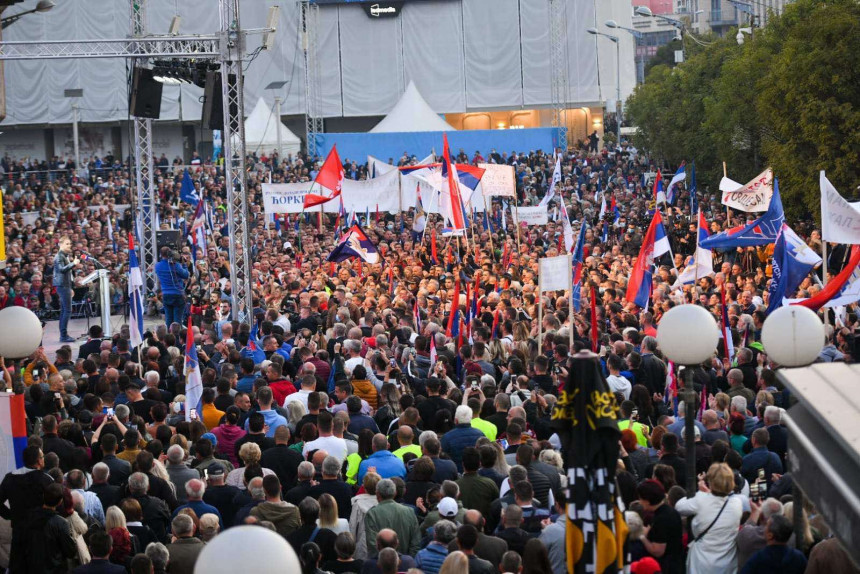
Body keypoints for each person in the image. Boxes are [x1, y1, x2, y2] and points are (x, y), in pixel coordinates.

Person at [675, 463, 744, 573]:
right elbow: (717, 503)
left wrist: (700, 492)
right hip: (728, 564)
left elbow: (679, 506)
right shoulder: (737, 503)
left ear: (711, 482)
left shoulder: (701, 499)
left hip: (702, 563)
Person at [22, 482, 78, 573]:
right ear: (60, 501)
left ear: (43, 496)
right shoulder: (61, 523)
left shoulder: (28, 516)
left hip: (30, 568)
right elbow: (70, 552)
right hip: (54, 569)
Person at [636, 479, 683, 574]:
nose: (639, 502)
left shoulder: (661, 519)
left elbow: (657, 551)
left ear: (647, 501)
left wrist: (642, 537)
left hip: (667, 568)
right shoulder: (671, 511)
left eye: (640, 499)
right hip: (677, 564)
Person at [364, 478, 420, 558]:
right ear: (395, 493)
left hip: (382, 564)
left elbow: (372, 544)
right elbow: (416, 543)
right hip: (404, 564)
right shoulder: (409, 511)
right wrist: (407, 561)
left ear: (377, 494)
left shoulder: (372, 513)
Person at [740, 514, 808, 574]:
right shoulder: (799, 557)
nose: (764, 527)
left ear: (770, 535)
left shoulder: (758, 559)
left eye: (766, 525)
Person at [53, 235, 80, 342]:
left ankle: (63, 335)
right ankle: (63, 336)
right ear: (60, 244)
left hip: (66, 285)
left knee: (65, 310)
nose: (69, 246)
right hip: (62, 285)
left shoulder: (64, 255)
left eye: (70, 244)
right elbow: (62, 270)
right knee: (67, 310)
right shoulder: (59, 256)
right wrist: (74, 263)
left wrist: (71, 286)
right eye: (67, 244)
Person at [154, 246, 189, 326]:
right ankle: (177, 337)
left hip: (166, 294)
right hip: (178, 294)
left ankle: (169, 336)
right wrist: (184, 265)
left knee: (168, 319)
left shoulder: (157, 266)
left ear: (161, 255)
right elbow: (186, 275)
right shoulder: (176, 265)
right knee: (177, 320)